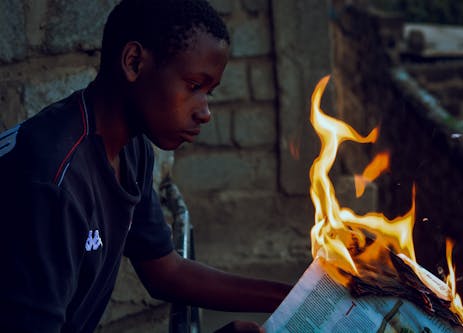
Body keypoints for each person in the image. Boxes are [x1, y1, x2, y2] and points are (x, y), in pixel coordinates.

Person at [0, 0, 291, 332]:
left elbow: (165, 272)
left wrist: (294, 298)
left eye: (209, 93)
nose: (205, 112)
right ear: (134, 62)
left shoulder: (131, 148)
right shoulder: (53, 180)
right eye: (194, 86)